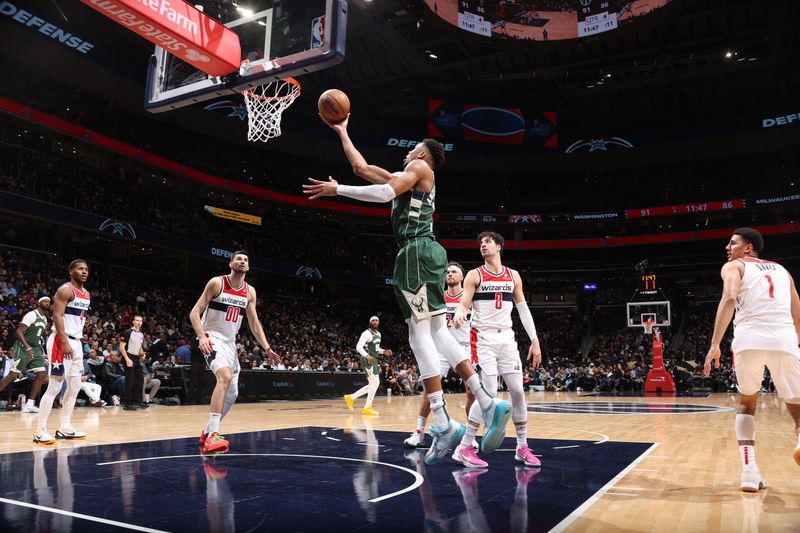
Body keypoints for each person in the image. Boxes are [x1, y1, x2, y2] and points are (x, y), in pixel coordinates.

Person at [304, 117, 511, 465]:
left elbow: (384, 193)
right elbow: (362, 167)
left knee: (419, 335)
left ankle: (445, 422)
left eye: (413, 148)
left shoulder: (417, 166)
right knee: (436, 331)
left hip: (415, 252)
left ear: (423, 155)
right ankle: (485, 405)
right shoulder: (410, 178)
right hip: (425, 252)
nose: (407, 154)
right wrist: (342, 131)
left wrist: (338, 191)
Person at [703, 227, 800, 492]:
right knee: (796, 404)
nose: (727, 247)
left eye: (732, 243)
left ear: (748, 248)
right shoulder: (783, 270)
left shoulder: (734, 266)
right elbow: (796, 307)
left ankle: (749, 472)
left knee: (747, 404)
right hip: (784, 337)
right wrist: (796, 341)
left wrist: (714, 344)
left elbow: (730, 297)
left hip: (748, 340)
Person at [452, 231, 542, 468]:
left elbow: (523, 309)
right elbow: (463, 303)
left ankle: (521, 447)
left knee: (518, 392)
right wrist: (461, 313)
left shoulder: (513, 276)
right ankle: (464, 447)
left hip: (508, 340)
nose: (483, 245)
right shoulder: (474, 275)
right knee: (488, 394)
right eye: (480, 242)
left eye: (488, 242)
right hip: (483, 339)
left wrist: (534, 340)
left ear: (499, 247)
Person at [190, 250, 280, 454]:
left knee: (233, 392)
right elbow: (195, 312)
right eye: (238, 259)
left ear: (248, 267)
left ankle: (207, 430)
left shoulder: (250, 291)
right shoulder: (217, 283)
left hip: (230, 343)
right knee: (224, 376)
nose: (242, 261)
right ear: (230, 263)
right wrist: (202, 336)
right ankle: (213, 436)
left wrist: (267, 348)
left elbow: (254, 324)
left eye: (246, 260)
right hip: (212, 337)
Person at [404, 262, 476, 448]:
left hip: (465, 347)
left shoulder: (469, 299)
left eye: (454, 272)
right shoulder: (439, 298)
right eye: (448, 272)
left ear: (462, 277)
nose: (450, 274)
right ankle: (419, 433)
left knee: (472, 392)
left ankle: (470, 436)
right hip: (441, 348)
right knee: (429, 390)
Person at [34, 259, 91, 444]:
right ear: (71, 271)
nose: (84, 272)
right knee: (55, 386)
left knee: (74, 387)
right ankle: (39, 431)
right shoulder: (65, 289)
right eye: (80, 268)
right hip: (61, 341)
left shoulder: (87, 294)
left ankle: (64, 428)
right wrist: (65, 341)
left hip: (77, 343)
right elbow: (56, 315)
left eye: (86, 269)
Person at [0, 296, 50, 412]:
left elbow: (37, 337)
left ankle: (29, 405)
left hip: (35, 348)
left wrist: (40, 351)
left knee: (42, 374)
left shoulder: (45, 319)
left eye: (49, 301)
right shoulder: (32, 315)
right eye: (45, 301)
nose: (47, 303)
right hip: (22, 347)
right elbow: (18, 332)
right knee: (13, 375)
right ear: (39, 303)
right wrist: (27, 347)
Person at [344, 316, 392, 416]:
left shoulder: (378, 334)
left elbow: (376, 348)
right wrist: (367, 356)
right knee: (375, 383)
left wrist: (384, 351)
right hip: (367, 359)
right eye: (373, 320)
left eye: (376, 320)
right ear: (370, 322)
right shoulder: (366, 333)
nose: (375, 322)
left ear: (378, 322)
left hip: (373, 359)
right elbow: (358, 347)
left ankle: (351, 398)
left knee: (372, 384)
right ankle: (367, 408)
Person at [120, 315, 146, 411]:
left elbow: (139, 346)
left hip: (136, 358)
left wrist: (142, 353)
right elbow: (121, 347)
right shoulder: (128, 332)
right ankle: (127, 403)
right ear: (133, 322)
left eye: (140, 321)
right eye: (137, 320)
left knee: (140, 379)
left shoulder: (141, 334)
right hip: (128, 356)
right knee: (130, 380)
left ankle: (138, 401)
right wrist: (127, 359)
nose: (139, 322)